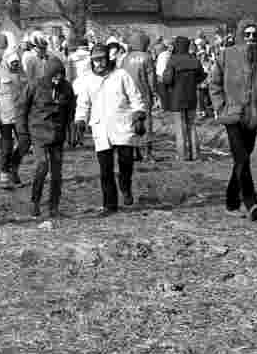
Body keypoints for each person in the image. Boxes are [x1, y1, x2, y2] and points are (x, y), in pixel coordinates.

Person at [208, 18, 257, 222]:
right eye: (247, 34)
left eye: (254, 35)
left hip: (254, 115)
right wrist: (221, 107)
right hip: (232, 114)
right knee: (241, 157)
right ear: (240, 35)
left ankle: (231, 201)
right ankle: (250, 201)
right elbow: (214, 83)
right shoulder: (226, 55)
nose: (251, 38)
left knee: (242, 159)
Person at [74, 43, 147, 216]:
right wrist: (80, 121)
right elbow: (83, 103)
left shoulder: (121, 75)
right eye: (95, 61)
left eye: (101, 60)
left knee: (126, 162)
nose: (98, 64)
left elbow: (135, 97)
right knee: (105, 170)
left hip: (122, 125)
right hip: (101, 129)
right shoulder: (88, 79)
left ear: (108, 59)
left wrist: (138, 115)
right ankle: (110, 204)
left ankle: (125, 185)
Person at [17, 57, 74, 218]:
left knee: (57, 173)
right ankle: (35, 202)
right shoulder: (35, 86)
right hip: (38, 134)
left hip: (57, 135)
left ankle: (54, 206)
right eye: (55, 75)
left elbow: (70, 110)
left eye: (61, 75)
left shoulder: (67, 88)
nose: (59, 78)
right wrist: (23, 133)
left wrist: (71, 129)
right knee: (42, 166)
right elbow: (21, 109)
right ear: (48, 74)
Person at [0, 48, 28, 187]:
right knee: (6, 146)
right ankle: (5, 174)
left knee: (25, 142)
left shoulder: (22, 73)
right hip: (4, 117)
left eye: (17, 62)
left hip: (21, 115)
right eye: (13, 62)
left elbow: (28, 92)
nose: (15, 65)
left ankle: (13, 167)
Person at [162, 36, 207, 161]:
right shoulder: (194, 60)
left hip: (177, 98)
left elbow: (167, 79)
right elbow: (202, 76)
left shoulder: (173, 60)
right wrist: (193, 82)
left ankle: (182, 155)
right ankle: (195, 154)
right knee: (192, 126)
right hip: (192, 97)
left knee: (180, 127)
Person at [119, 32, 157, 161]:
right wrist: (154, 92)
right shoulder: (147, 57)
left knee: (132, 123)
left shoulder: (125, 58)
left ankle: (135, 152)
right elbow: (151, 78)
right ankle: (148, 153)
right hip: (144, 94)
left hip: (129, 96)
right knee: (147, 123)